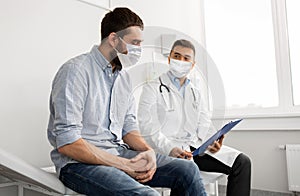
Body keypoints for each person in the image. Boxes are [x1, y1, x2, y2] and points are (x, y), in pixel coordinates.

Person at [47, 8, 207, 196]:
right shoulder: (75, 72)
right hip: (79, 165)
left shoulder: (123, 78)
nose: (138, 50)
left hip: (117, 153)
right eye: (135, 43)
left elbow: (128, 128)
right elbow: (68, 142)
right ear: (114, 39)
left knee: (187, 170)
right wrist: (123, 164)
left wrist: (148, 152)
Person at [138, 39, 251, 196]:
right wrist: (170, 148)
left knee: (242, 162)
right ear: (169, 58)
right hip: (166, 150)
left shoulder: (195, 92)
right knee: (185, 170)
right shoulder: (152, 88)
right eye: (177, 56)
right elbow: (146, 127)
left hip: (194, 149)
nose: (181, 61)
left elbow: (204, 125)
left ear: (192, 64)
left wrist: (212, 141)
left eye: (186, 58)